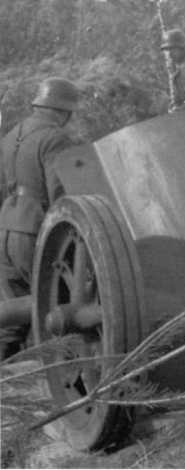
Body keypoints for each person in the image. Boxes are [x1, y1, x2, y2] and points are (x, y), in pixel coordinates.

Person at [0, 77, 79, 359]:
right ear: (64, 111)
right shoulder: (55, 138)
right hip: (34, 230)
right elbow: (60, 193)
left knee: (13, 317)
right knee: (63, 307)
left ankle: (7, 390)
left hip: (6, 227)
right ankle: (69, 383)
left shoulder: (10, 135)